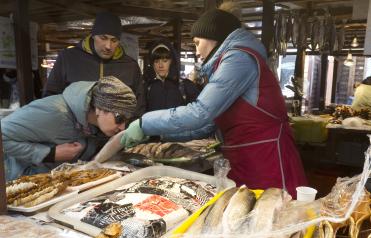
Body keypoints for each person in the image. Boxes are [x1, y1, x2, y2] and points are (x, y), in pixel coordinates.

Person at [119, 4, 307, 198]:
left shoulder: (238, 59)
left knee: (271, 218)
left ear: (213, 38)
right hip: (245, 157)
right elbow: (209, 124)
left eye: (197, 42)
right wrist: (162, 135)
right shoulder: (228, 61)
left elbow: (200, 113)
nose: (197, 51)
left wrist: (145, 123)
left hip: (266, 159)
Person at [2, 76, 136, 181]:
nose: (122, 126)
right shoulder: (53, 112)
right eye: (119, 118)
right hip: (18, 187)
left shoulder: (94, 125)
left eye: (127, 120)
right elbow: (3, 135)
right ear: (100, 108)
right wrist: (48, 153)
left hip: (54, 185)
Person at [42, 11, 146, 116]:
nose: (108, 46)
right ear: (93, 35)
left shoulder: (130, 66)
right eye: (103, 38)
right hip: (74, 130)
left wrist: (128, 130)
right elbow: (50, 99)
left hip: (118, 131)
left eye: (114, 40)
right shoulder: (68, 59)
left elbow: (138, 106)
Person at [144, 40, 200, 112]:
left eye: (165, 61)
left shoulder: (185, 86)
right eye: (156, 61)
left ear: (171, 62)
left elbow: (198, 112)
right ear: (152, 64)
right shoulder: (146, 88)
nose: (160, 65)